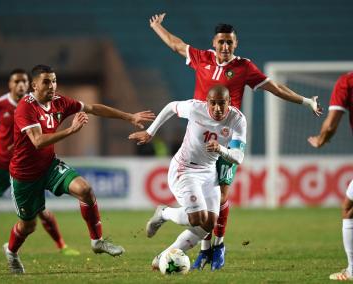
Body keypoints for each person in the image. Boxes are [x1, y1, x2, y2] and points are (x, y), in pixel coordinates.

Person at [149, 13, 323, 270]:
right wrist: (157, 27)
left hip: (227, 140)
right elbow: (176, 44)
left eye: (230, 43)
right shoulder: (202, 58)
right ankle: (204, 250)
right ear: (214, 43)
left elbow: (274, 87)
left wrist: (305, 100)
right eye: (221, 42)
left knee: (220, 197)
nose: (225, 47)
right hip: (199, 137)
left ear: (235, 44)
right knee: (204, 210)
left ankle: (216, 247)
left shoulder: (244, 67)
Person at [3, 64, 155, 274]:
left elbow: (93, 108)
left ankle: (97, 241)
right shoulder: (25, 107)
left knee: (85, 189)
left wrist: (129, 117)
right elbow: (37, 141)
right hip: (25, 175)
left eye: (54, 80)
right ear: (34, 85)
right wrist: (71, 130)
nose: (52, 86)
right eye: (46, 82)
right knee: (28, 226)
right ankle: (11, 252)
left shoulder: (59, 102)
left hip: (49, 166)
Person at [0, 69, 79, 257]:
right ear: (10, 84)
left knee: (42, 213)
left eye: (23, 81)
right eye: (16, 81)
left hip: (25, 168)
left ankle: (62, 245)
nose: (20, 85)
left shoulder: (32, 104)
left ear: (29, 84)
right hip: (1, 165)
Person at [129, 85, 246, 270]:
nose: (217, 108)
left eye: (221, 104)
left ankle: (164, 256)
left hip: (209, 173)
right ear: (207, 102)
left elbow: (239, 157)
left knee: (209, 223)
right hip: (185, 169)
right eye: (213, 103)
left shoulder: (237, 119)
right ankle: (164, 213)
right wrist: (150, 132)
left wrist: (221, 149)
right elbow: (170, 107)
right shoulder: (194, 108)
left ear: (229, 103)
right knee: (197, 217)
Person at [307, 72, 353, 281]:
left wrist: (321, 140)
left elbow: (331, 124)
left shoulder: (347, 82)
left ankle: (352, 270)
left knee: (349, 208)